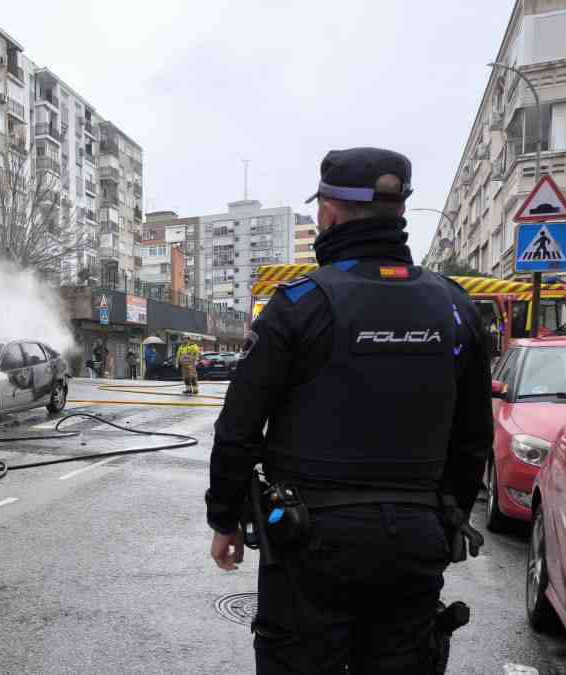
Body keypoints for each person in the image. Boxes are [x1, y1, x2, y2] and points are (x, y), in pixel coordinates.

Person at [206, 148, 492, 673]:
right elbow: (474, 437)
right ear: (400, 213)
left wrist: (225, 518)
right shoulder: (455, 307)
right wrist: (447, 514)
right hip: (414, 540)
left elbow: (239, 427)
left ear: (330, 212)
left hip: (308, 540)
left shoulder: (298, 304)